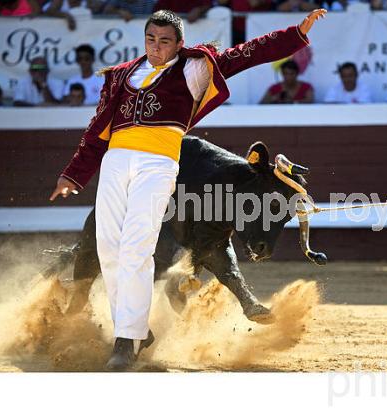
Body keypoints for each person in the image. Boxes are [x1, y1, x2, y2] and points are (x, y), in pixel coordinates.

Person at [50, 8, 327, 371]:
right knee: (109, 247)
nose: (156, 47)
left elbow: (248, 54)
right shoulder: (121, 75)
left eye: (165, 41)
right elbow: (97, 129)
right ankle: (135, 332)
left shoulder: (193, 68)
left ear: (179, 44)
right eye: (151, 39)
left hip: (159, 160)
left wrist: (295, 34)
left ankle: (125, 340)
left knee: (136, 247)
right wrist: (73, 175)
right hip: (116, 161)